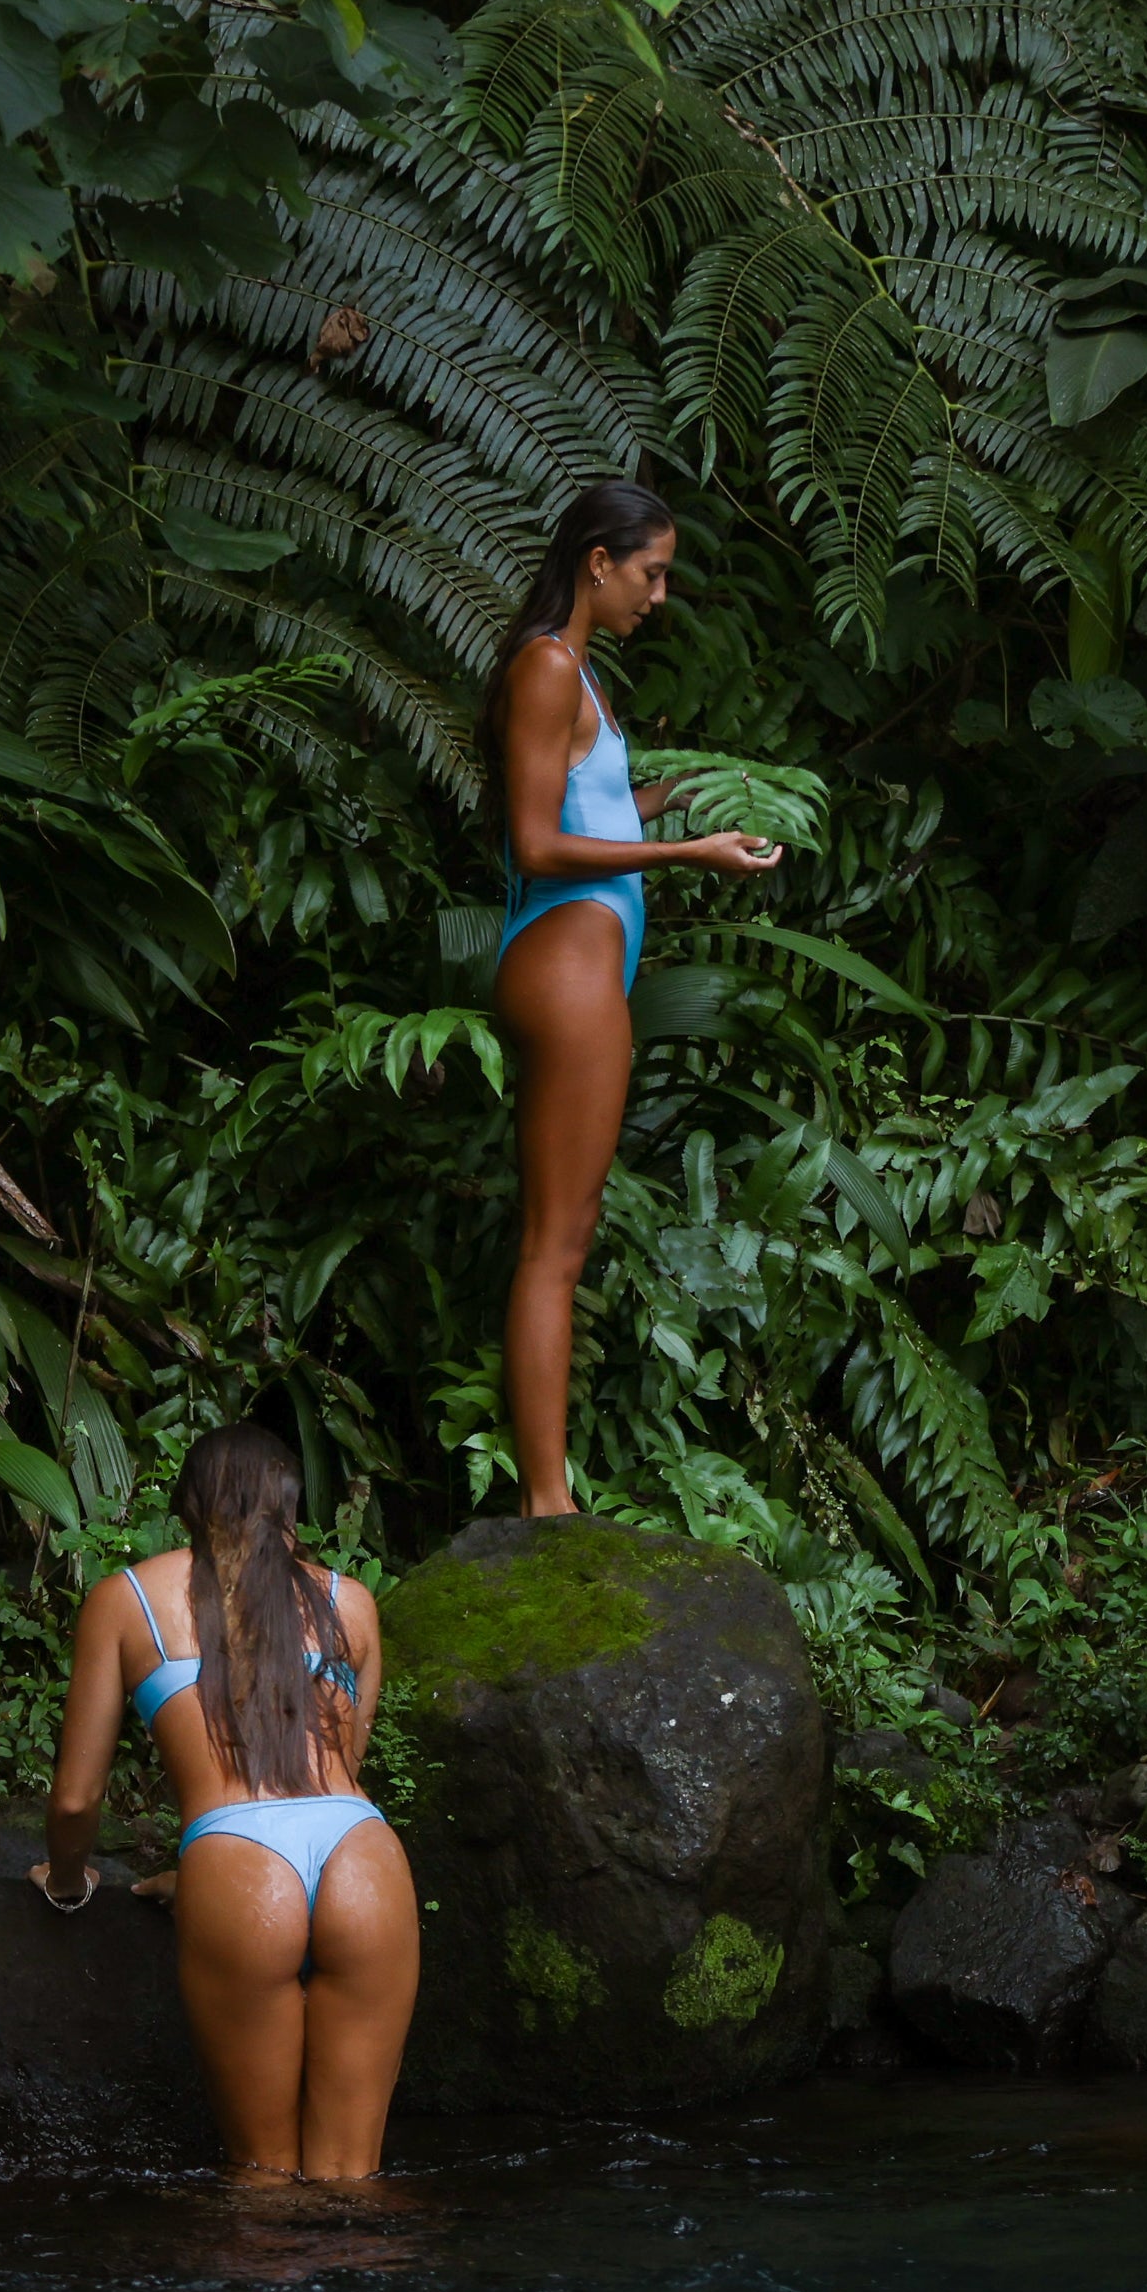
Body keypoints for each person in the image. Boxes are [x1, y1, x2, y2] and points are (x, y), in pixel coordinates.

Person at [485, 480, 785, 1519]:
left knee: (565, 1235)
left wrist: (686, 797)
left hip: (584, 962)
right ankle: (546, 1501)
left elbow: (592, 807)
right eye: (650, 571)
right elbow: (534, 840)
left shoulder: (580, 675)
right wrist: (684, 852)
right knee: (553, 1247)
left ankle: (548, 1492)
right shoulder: (544, 667)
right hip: (562, 966)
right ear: (597, 562)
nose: (659, 593)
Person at [37, 1425, 416, 2181]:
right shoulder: (353, 1602)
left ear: (187, 1506)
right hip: (361, 1854)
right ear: (289, 1505)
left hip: (239, 1868)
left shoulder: (128, 1599)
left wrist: (68, 1882)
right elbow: (341, 1765)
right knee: (355, 2183)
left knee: (263, 2184)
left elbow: (78, 1800)